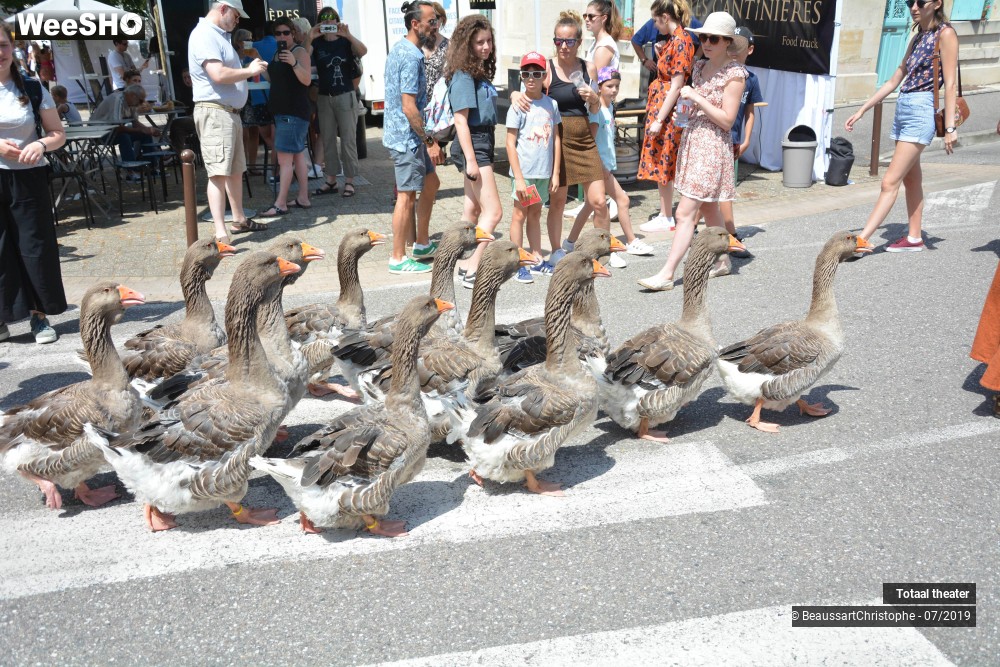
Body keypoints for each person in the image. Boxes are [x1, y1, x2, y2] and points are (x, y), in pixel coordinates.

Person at [638, 12, 747, 291]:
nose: (707, 43)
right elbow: (695, 105)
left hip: (712, 146)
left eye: (713, 39)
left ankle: (666, 274)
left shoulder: (735, 74)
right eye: (704, 37)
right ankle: (722, 259)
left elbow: (727, 120)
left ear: (727, 42)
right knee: (710, 208)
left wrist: (696, 97)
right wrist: (683, 115)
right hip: (692, 140)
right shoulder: (699, 66)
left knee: (685, 212)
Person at [845, 0, 958, 253]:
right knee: (911, 178)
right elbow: (896, 77)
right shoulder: (918, 36)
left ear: (937, 3)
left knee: (889, 181)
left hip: (921, 110)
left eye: (920, 2)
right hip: (904, 108)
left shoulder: (946, 34)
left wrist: (950, 128)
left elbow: (950, 84)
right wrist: (863, 109)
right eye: (909, 2)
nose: (914, 7)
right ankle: (915, 237)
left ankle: (862, 239)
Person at [510, 11, 606, 273]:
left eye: (569, 41)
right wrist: (514, 92)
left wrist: (594, 99)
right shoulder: (548, 68)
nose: (564, 46)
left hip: (584, 136)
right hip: (557, 136)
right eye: (558, 41)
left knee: (598, 200)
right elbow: (530, 88)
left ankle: (602, 252)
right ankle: (556, 251)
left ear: (579, 41)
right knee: (558, 201)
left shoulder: (589, 68)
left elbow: (598, 105)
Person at [0, 22, 67, 344]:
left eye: (1, 44)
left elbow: (57, 134)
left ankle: (38, 316)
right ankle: (3, 317)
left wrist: (41, 144)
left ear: (12, 46)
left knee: (34, 246)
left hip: (28, 177)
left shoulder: (32, 87)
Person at [188, 0, 268, 241]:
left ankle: (239, 219)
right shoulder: (205, 35)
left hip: (227, 112)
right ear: (223, 8)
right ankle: (221, 233)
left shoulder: (218, 35)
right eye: (235, 14)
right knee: (218, 173)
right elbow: (218, 74)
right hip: (216, 112)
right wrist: (250, 71)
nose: (238, 20)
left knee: (234, 170)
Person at [565, 67, 653, 270]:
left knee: (590, 205)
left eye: (617, 86)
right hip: (598, 165)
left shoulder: (610, 107)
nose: (614, 90)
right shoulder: (596, 111)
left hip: (604, 165)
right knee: (622, 199)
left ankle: (570, 242)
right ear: (599, 87)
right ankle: (627, 242)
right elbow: (592, 141)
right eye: (609, 86)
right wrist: (600, 166)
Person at [383, 0, 442, 275]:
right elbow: (409, 106)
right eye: (432, 21)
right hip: (407, 139)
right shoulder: (411, 55)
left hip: (408, 137)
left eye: (437, 21)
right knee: (405, 197)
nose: (436, 26)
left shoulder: (402, 48)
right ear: (415, 24)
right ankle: (398, 258)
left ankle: (421, 244)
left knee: (431, 182)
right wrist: (429, 141)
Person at [448, 15, 501, 288]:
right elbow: (461, 120)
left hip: (482, 141)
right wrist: (471, 160)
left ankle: (452, 263)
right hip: (475, 144)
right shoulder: (464, 76)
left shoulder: (477, 72)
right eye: (480, 42)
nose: (486, 46)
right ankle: (473, 266)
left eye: (489, 41)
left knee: (471, 210)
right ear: (467, 45)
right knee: (493, 213)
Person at [636, 0, 695, 235]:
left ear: (665, 17)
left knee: (666, 159)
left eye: (655, 19)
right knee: (663, 159)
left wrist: (660, 118)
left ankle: (667, 215)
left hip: (668, 109)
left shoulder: (681, 41)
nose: (654, 24)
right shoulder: (674, 41)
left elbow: (676, 85)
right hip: (662, 104)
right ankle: (665, 214)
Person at [506, 52, 561, 285]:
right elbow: (509, 142)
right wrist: (518, 178)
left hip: (542, 173)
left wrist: (556, 171)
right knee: (520, 214)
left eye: (536, 73)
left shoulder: (551, 104)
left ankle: (536, 257)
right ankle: (518, 261)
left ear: (544, 76)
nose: (531, 78)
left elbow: (556, 138)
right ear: (521, 76)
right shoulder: (519, 105)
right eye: (526, 73)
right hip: (525, 174)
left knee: (536, 214)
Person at [308, 6, 368, 198]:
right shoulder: (316, 43)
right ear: (320, 22)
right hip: (325, 96)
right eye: (324, 19)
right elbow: (302, 56)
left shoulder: (344, 41)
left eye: (331, 19)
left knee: (348, 139)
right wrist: (310, 35)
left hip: (345, 94)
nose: (328, 22)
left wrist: (348, 35)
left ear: (337, 20)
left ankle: (350, 181)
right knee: (327, 139)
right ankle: (331, 179)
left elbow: (363, 51)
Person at [259, 17, 312, 217]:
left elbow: (306, 80)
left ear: (293, 33)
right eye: (278, 33)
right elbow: (276, 80)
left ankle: (280, 203)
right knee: (297, 155)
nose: (282, 37)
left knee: (284, 160)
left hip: (293, 113)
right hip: (283, 112)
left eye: (286, 33)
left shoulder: (299, 52)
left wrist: (294, 62)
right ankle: (303, 197)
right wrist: (263, 67)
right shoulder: (277, 53)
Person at [721, 26, 762, 253]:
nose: (733, 52)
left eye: (739, 47)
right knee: (723, 190)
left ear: (750, 49)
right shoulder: (719, 73)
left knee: (722, 190)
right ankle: (731, 235)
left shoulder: (751, 79)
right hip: (718, 138)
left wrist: (747, 140)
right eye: (730, 46)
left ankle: (693, 226)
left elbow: (750, 112)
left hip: (735, 139)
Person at [90, 84, 160, 168]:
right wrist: (141, 130)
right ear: (132, 96)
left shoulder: (133, 103)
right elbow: (117, 128)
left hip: (112, 131)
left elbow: (135, 122)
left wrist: (147, 129)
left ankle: (152, 167)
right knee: (124, 137)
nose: (141, 104)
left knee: (145, 135)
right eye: (141, 101)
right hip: (99, 132)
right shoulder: (117, 99)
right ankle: (131, 171)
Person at [233, 28, 273, 175]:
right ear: (238, 42)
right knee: (243, 133)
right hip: (240, 96)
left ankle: (252, 165)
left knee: (255, 131)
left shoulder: (252, 54)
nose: (248, 41)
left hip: (253, 94)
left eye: (250, 38)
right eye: (245, 39)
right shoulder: (234, 56)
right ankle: (242, 166)